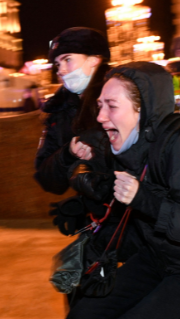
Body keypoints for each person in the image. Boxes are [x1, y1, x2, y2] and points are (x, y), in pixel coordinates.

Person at [66, 63, 180, 319]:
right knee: (82, 315)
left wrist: (144, 199)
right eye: (100, 105)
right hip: (156, 257)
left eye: (111, 106)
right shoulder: (131, 140)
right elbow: (95, 152)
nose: (101, 116)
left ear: (143, 108)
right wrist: (83, 164)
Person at [34, 27, 111, 199]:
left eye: (67, 59)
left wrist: (98, 147)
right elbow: (47, 180)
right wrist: (67, 154)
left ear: (94, 59)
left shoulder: (122, 98)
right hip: (92, 214)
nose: (60, 70)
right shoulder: (59, 110)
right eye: (57, 64)